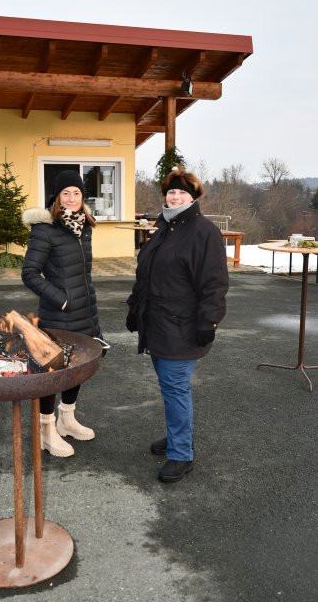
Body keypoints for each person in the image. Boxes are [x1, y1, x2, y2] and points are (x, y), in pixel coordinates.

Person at [126, 165, 229, 483]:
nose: (174, 195)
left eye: (181, 191)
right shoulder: (164, 228)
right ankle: (176, 438)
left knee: (175, 388)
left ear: (192, 196)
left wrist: (209, 322)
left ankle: (182, 453)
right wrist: (135, 309)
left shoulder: (203, 232)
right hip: (158, 323)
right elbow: (146, 273)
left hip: (183, 326)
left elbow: (214, 283)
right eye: (171, 191)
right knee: (170, 388)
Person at [21, 169, 102, 457]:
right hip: (58, 315)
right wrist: (62, 301)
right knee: (52, 373)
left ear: (83, 197)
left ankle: (67, 420)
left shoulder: (85, 229)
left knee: (78, 368)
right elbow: (29, 274)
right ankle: (46, 430)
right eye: (65, 193)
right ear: (56, 197)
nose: (71, 198)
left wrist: (91, 313)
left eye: (77, 193)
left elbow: (84, 277)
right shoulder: (46, 229)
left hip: (85, 313)